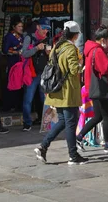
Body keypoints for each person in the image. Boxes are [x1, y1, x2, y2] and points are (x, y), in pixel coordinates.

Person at [34, 21, 89, 166]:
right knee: (71, 124)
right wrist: (81, 63)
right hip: (68, 92)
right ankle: (73, 155)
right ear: (75, 35)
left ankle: (43, 146)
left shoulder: (57, 47)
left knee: (63, 121)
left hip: (57, 92)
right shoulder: (70, 49)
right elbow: (74, 70)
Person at [77, 25, 108, 153]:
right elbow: (104, 69)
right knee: (107, 117)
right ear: (102, 39)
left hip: (93, 88)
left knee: (98, 117)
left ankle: (79, 137)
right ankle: (107, 145)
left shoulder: (90, 50)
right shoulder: (98, 50)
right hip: (100, 89)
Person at [21, 18, 52, 132]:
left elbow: (51, 59)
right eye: (43, 28)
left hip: (44, 73)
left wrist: (49, 54)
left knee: (45, 99)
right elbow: (24, 54)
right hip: (32, 73)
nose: (45, 31)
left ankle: (45, 122)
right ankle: (27, 122)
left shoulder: (48, 39)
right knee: (28, 99)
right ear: (38, 27)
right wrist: (36, 48)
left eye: (47, 29)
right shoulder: (29, 38)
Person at [2, 16, 24, 111]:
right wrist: (16, 52)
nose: (21, 28)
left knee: (19, 84)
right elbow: (5, 50)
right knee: (11, 83)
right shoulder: (9, 37)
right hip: (12, 63)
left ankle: (18, 105)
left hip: (20, 63)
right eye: (19, 26)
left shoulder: (22, 37)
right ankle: (8, 105)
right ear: (14, 27)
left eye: (22, 26)